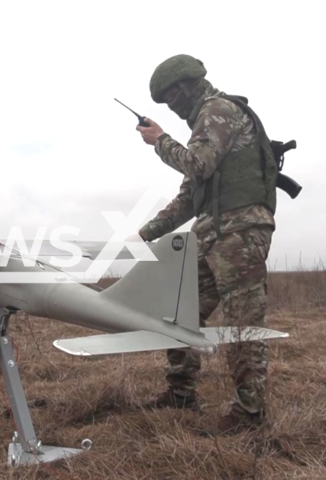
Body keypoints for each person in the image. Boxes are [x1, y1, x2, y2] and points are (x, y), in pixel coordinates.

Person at [135, 54, 277, 435]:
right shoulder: (203, 124)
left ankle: (249, 414)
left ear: (188, 87)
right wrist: (142, 235)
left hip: (240, 232)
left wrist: (161, 141)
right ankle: (180, 393)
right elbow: (187, 199)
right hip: (212, 232)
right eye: (164, 103)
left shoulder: (217, 111)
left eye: (172, 98)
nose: (171, 107)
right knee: (179, 309)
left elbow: (197, 165)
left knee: (242, 321)